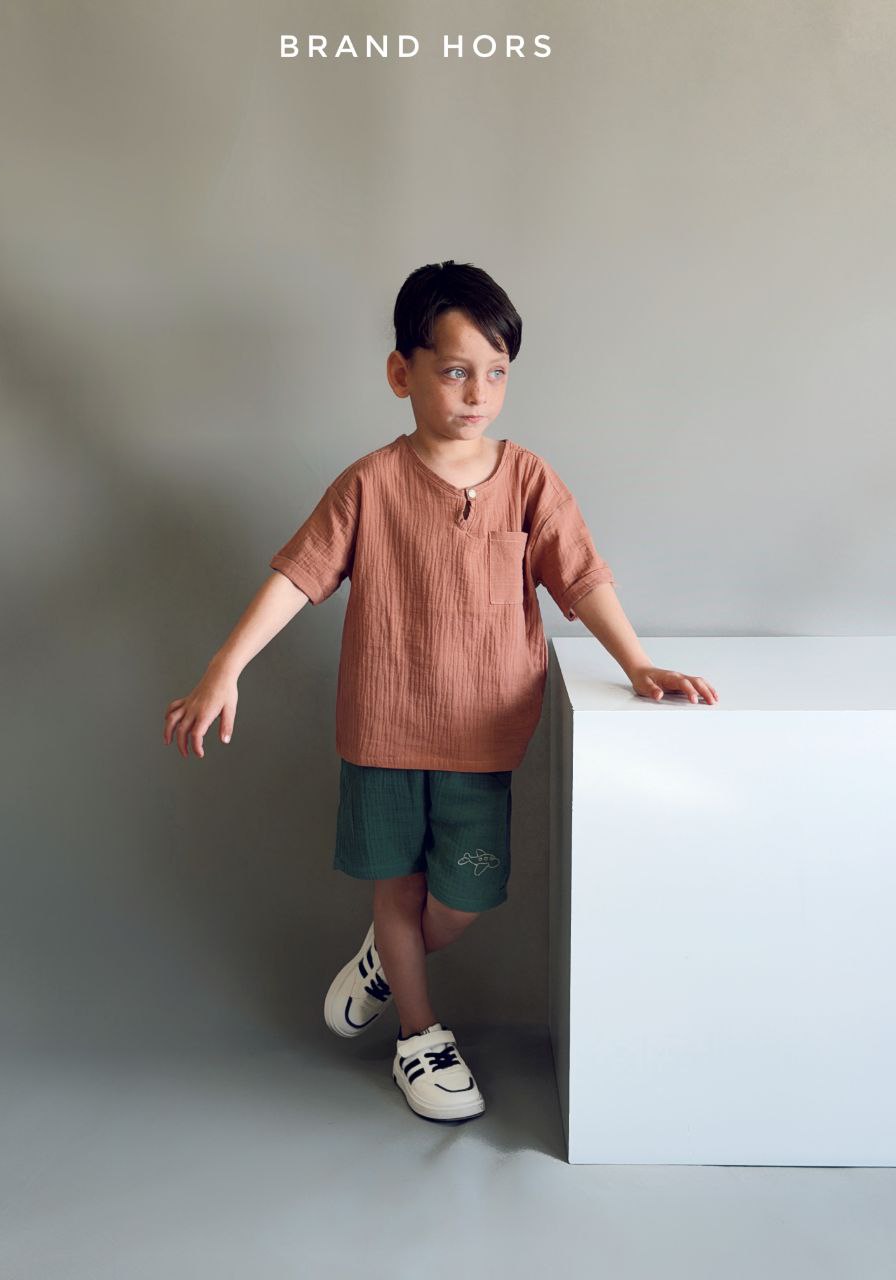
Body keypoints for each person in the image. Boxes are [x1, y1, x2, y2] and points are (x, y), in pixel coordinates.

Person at [162, 259, 719, 1125]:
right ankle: (418, 1036)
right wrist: (223, 668)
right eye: (456, 370)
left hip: (483, 738)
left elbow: (581, 576)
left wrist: (638, 663)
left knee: (459, 901)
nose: (477, 393)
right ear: (402, 372)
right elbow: (298, 576)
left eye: (496, 373)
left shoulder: (528, 480)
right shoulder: (369, 483)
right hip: (382, 731)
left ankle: (387, 963)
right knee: (395, 891)